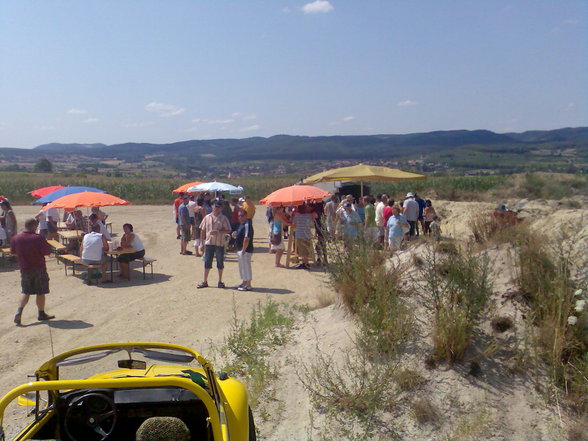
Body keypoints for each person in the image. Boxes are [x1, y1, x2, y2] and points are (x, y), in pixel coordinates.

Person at [11, 218, 54, 326]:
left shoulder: (16, 238)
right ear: (34, 226)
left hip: (25, 269)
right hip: (39, 267)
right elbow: (46, 251)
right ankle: (41, 313)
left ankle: (19, 310)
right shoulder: (38, 238)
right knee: (40, 291)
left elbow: (13, 252)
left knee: (25, 291)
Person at [197, 200, 232, 289]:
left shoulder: (224, 218)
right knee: (207, 262)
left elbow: (228, 230)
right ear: (212, 206)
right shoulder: (207, 217)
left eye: (218, 207)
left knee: (220, 263)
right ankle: (205, 281)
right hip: (209, 243)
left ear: (221, 208)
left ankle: (220, 281)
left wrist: (219, 232)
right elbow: (203, 230)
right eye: (215, 206)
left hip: (219, 243)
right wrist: (201, 243)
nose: (216, 208)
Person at [233, 209, 254, 291]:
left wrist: (243, 249)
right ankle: (244, 282)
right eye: (239, 216)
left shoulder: (247, 224)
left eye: (242, 215)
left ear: (245, 216)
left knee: (246, 266)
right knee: (242, 267)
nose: (240, 217)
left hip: (245, 249)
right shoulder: (241, 224)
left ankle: (248, 284)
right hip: (239, 248)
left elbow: (246, 237)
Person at [292, 204, 316, 269]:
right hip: (307, 235)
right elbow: (312, 225)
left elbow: (294, 224)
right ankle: (306, 262)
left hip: (299, 235)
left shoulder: (296, 216)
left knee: (302, 251)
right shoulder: (308, 216)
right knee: (306, 249)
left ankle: (305, 263)